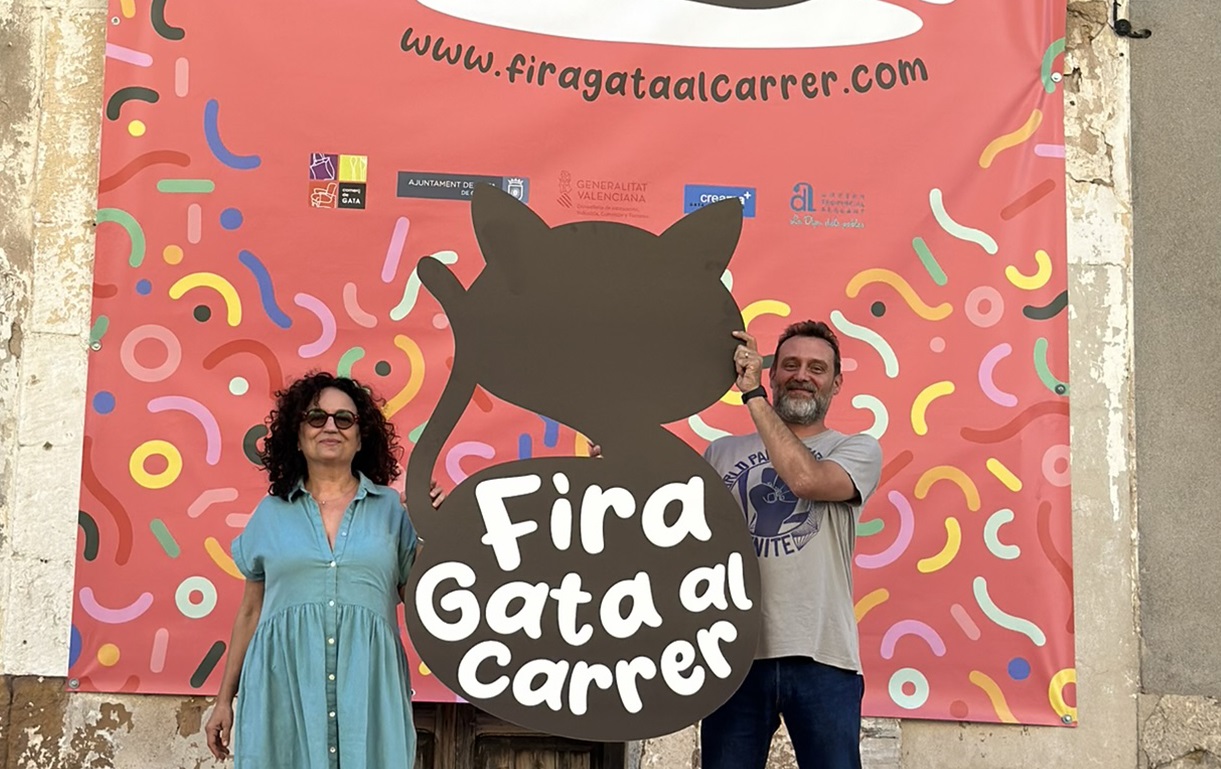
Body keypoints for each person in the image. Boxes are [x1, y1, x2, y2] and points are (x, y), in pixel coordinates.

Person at [204, 372, 443, 768]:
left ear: (361, 437)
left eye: (344, 419)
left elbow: (418, 599)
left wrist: (428, 531)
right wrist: (223, 701)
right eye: (316, 418)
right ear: (297, 437)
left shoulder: (393, 510)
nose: (330, 426)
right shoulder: (270, 514)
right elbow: (250, 612)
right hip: (282, 689)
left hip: (368, 689)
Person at [700, 320, 883, 769]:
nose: (802, 375)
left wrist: (753, 396)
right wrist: (623, 464)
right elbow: (673, 520)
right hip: (734, 657)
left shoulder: (857, 449)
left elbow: (806, 479)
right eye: (790, 365)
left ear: (836, 383)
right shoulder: (720, 453)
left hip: (824, 658)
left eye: (817, 368)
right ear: (773, 373)